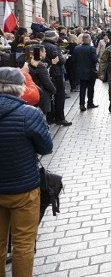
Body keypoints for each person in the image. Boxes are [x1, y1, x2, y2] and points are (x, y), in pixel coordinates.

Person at [0, 67, 53, 276]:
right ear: (20, 88)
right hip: (23, 188)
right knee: (23, 243)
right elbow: (46, 147)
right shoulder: (28, 113)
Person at [42, 30, 72, 126]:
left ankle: (50, 117)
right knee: (59, 95)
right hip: (56, 73)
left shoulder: (41, 45)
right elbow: (60, 61)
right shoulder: (53, 47)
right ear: (54, 37)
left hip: (47, 72)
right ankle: (60, 118)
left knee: (49, 95)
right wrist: (64, 57)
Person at [73, 33, 99, 112]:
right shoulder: (91, 49)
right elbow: (95, 60)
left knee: (82, 88)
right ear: (89, 39)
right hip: (91, 72)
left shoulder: (76, 48)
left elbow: (74, 60)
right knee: (90, 88)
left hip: (81, 72)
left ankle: (81, 104)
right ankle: (90, 103)